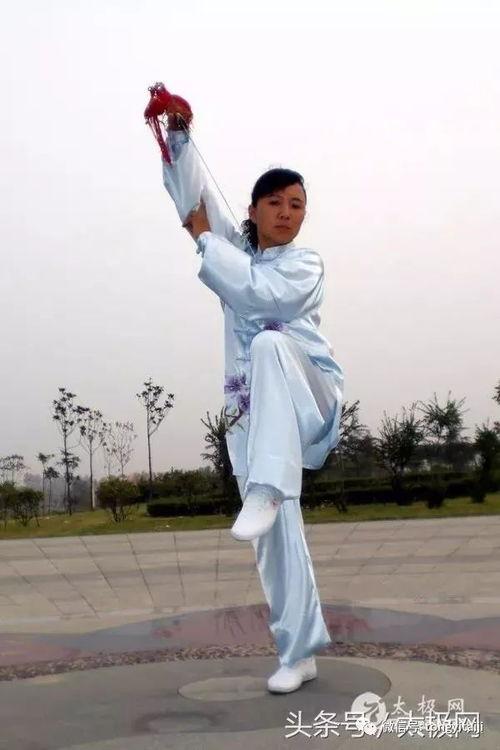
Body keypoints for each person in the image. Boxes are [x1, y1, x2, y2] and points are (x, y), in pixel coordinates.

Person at [157, 118, 344, 694]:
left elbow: (262, 299)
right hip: (253, 421)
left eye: (297, 204)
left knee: (267, 341)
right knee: (276, 545)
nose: (287, 213)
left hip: (306, 394)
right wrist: (178, 139)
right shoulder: (239, 255)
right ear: (255, 210)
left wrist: (206, 241)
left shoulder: (304, 263)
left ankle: (269, 485)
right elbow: (197, 204)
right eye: (275, 202)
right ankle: (299, 652)